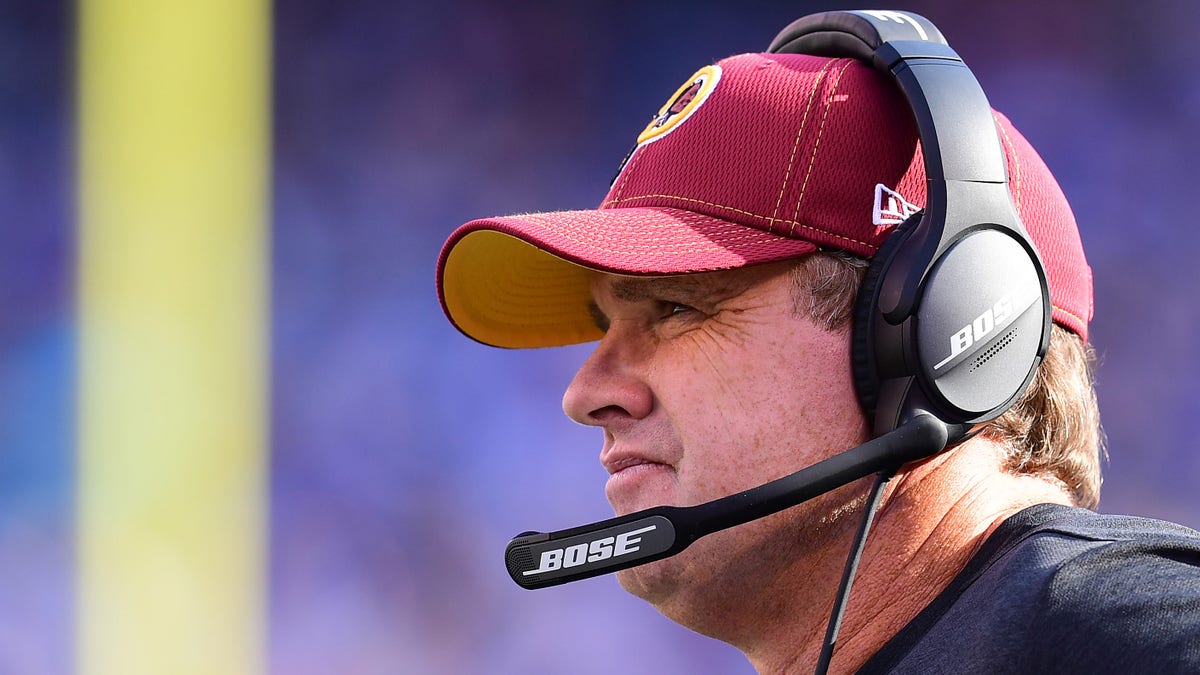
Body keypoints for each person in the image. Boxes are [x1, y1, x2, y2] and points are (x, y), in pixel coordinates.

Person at [435, 11, 1200, 674]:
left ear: (935, 338)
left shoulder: (1128, 628)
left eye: (673, 307)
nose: (584, 393)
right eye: (608, 324)